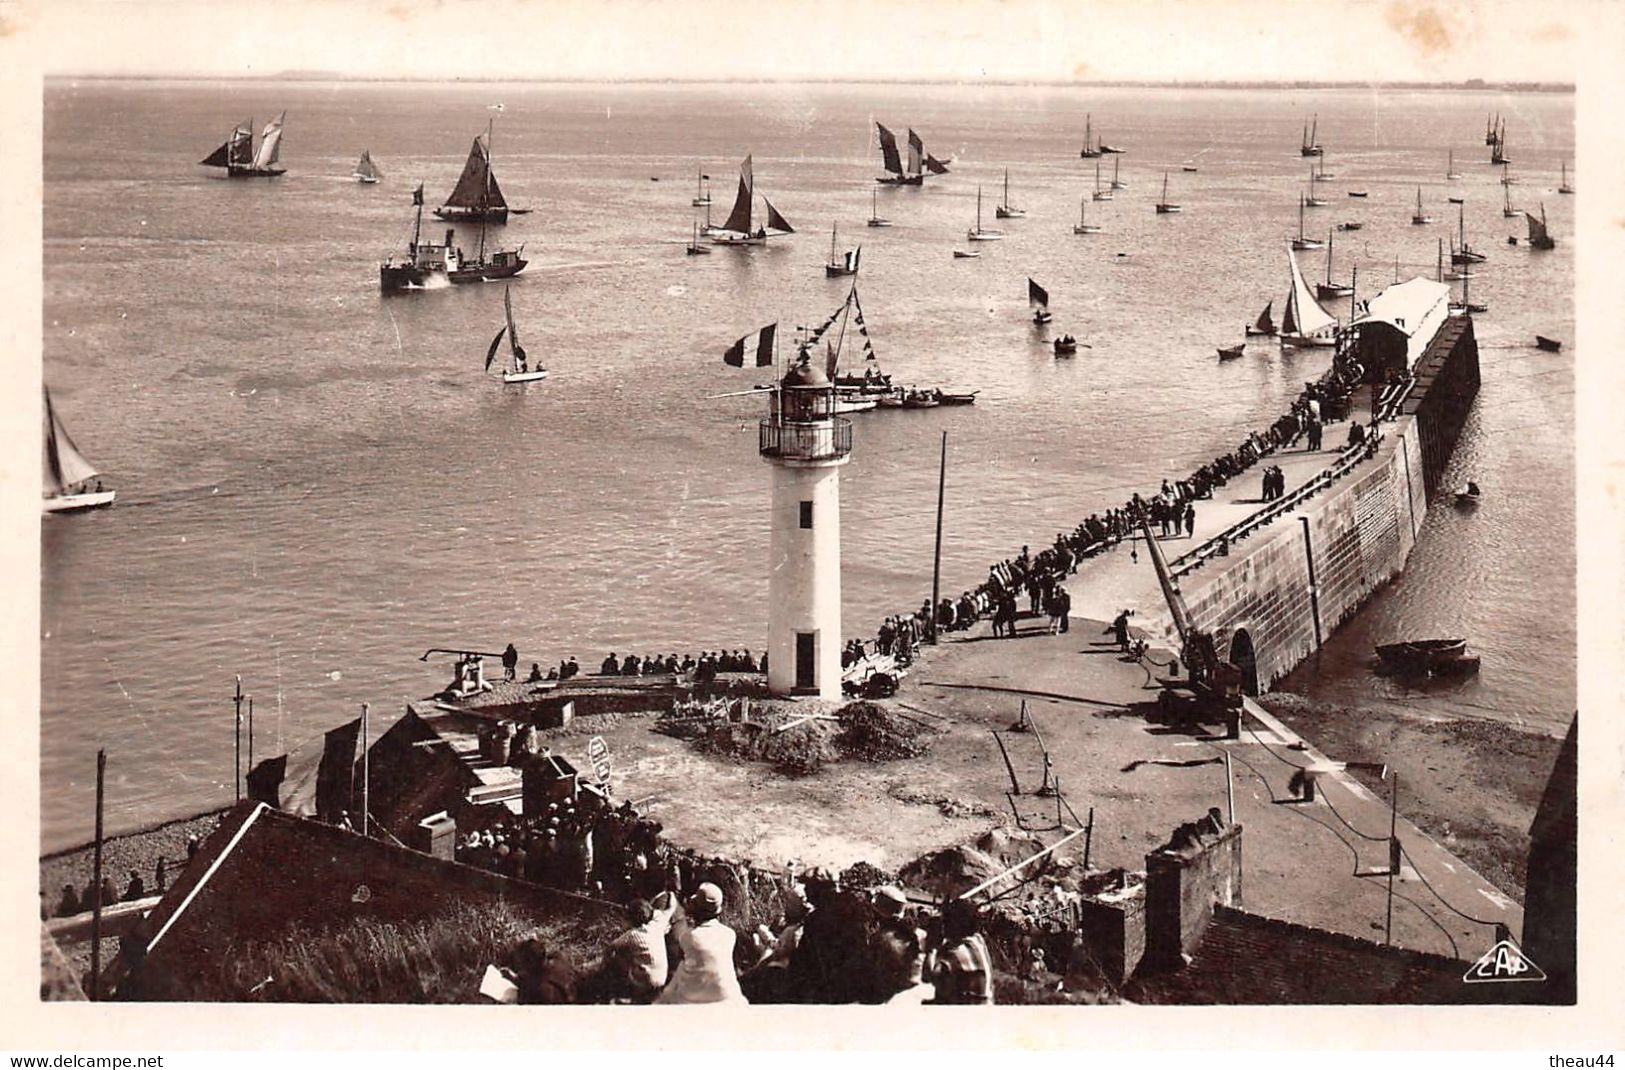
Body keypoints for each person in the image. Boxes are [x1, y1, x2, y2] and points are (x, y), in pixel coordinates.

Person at [656, 883, 747, 1004]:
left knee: (678, 974)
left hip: (692, 997)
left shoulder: (687, 936)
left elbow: (681, 962)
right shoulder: (730, 934)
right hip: (727, 996)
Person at [600, 894, 677, 1002]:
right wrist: (671, 893)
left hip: (645, 983)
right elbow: (671, 907)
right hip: (661, 979)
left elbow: (610, 947)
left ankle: (618, 992)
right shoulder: (657, 925)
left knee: (618, 956)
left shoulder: (632, 935)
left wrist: (603, 964)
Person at [930, 900, 994, 1004]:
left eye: (946, 921)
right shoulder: (978, 940)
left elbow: (929, 977)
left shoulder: (953, 954)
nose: (944, 925)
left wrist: (932, 947)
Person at [509, 934, 578, 1004]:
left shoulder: (543, 990)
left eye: (522, 962)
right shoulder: (558, 958)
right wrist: (514, 979)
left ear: (530, 963)